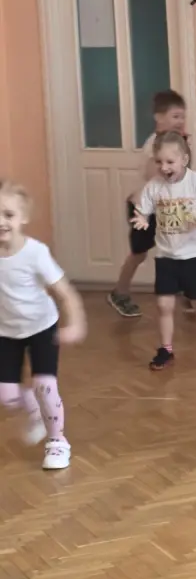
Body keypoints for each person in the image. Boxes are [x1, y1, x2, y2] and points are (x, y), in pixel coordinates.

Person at [0, 181, 86, 470]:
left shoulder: (35, 253)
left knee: (45, 386)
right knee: (7, 397)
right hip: (6, 332)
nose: (1, 222)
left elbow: (66, 293)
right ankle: (33, 407)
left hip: (42, 328)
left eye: (8, 215)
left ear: (23, 217)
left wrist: (76, 323)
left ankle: (57, 441)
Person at [131, 132, 196, 370]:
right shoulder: (154, 186)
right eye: (159, 162)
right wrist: (142, 219)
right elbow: (143, 210)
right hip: (166, 256)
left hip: (195, 255)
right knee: (164, 305)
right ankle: (166, 349)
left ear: (184, 159)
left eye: (170, 162)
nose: (164, 167)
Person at [108, 90, 187, 318]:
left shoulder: (175, 143)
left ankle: (190, 293)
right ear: (158, 117)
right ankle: (119, 292)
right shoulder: (155, 144)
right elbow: (153, 174)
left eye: (182, 116)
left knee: (180, 246)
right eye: (175, 116)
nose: (180, 121)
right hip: (144, 209)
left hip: (165, 207)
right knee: (139, 253)